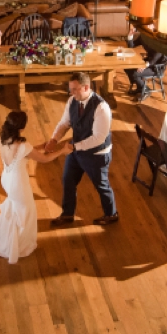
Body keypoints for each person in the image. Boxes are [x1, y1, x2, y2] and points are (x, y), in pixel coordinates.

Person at [0, 111, 64, 264]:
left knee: (14, 208)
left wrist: (39, 147)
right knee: (26, 212)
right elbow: (45, 159)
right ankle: (18, 246)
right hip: (18, 184)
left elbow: (25, 153)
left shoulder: (3, 138)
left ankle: (6, 236)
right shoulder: (23, 145)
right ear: (21, 128)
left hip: (6, 179)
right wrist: (62, 151)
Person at [46, 72, 118, 226]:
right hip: (76, 149)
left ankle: (111, 214)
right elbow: (65, 123)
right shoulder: (72, 100)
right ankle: (67, 214)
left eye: (75, 89)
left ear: (86, 87)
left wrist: (73, 146)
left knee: (101, 185)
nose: (71, 93)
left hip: (96, 154)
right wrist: (54, 138)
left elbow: (98, 138)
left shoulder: (102, 108)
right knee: (68, 180)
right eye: (70, 89)